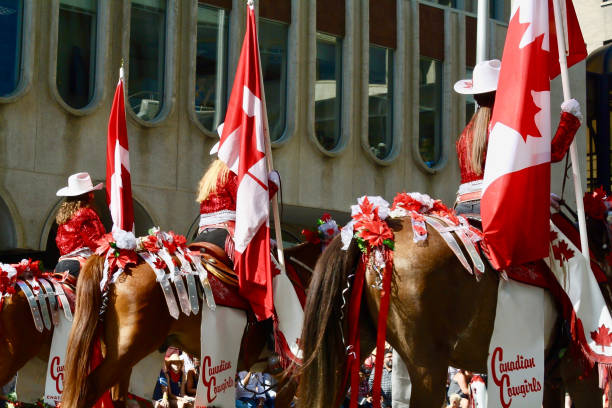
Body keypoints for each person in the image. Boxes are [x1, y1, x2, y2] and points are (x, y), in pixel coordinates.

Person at [453, 59, 582, 217]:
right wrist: (569, 119)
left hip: (462, 205)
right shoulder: (506, 127)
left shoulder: (466, 133)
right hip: (496, 204)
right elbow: (552, 153)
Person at [54, 172, 105, 278]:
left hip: (60, 265)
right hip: (81, 265)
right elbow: (96, 242)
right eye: (91, 192)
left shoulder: (64, 215)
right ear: (89, 195)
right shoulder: (86, 213)